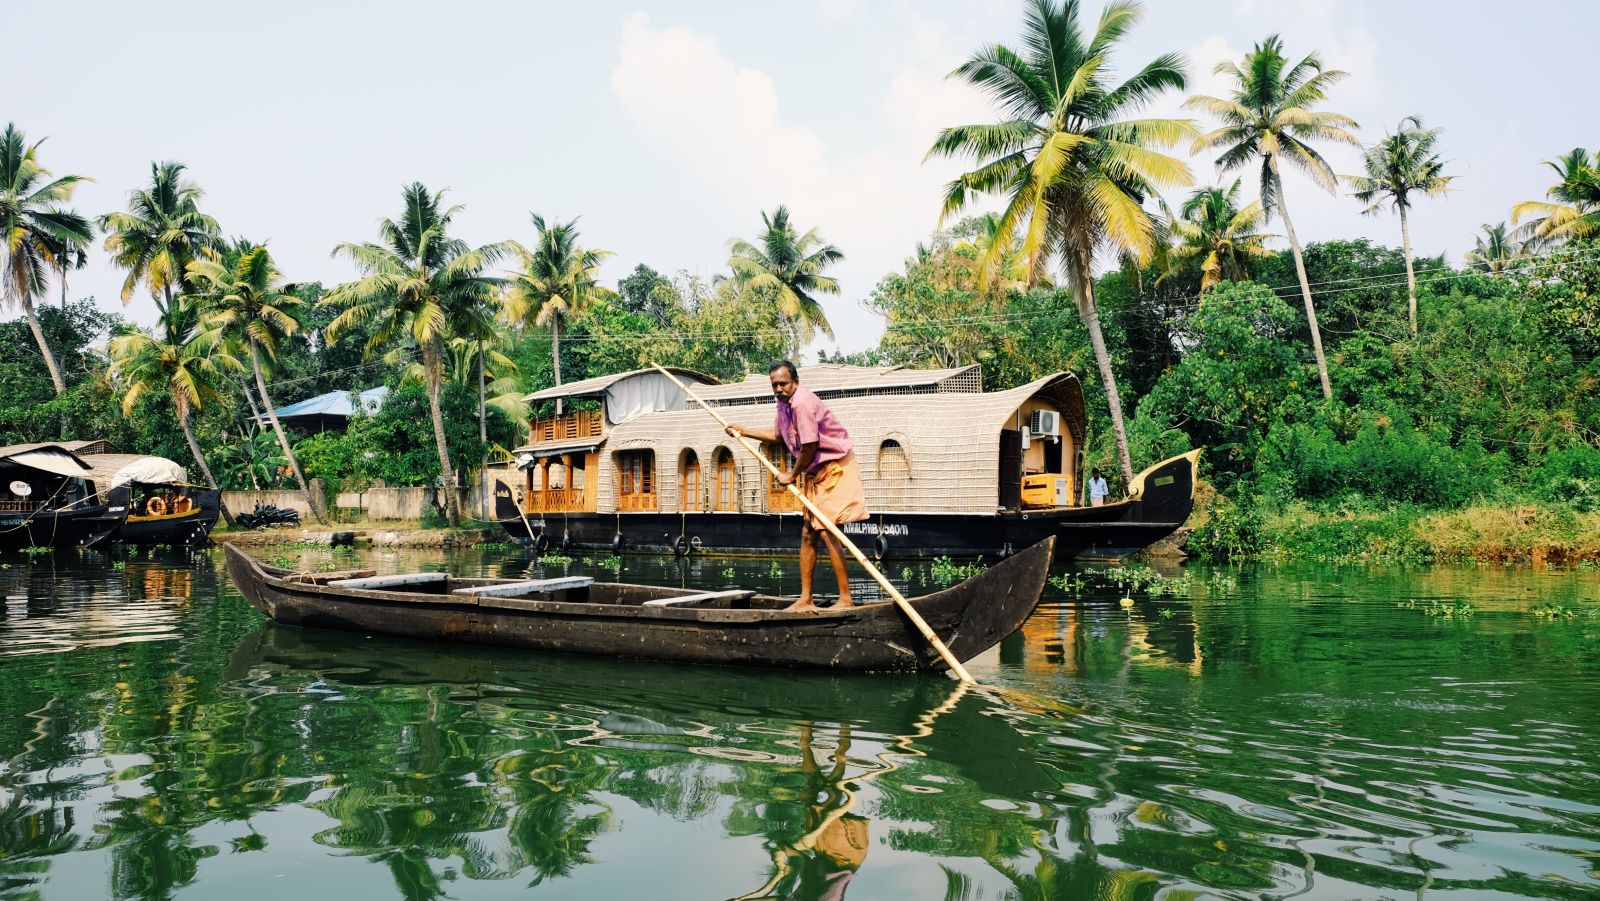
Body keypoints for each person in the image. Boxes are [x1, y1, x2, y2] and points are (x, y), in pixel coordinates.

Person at [728, 361, 868, 611]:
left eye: (783, 383)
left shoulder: (802, 402)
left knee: (827, 530)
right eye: (775, 385)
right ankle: (805, 599)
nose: (779, 388)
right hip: (816, 473)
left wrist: (792, 475)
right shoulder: (783, 404)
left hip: (835, 468)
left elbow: (810, 446)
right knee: (808, 533)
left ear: (795, 382)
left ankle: (846, 599)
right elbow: (779, 437)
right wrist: (744, 431)